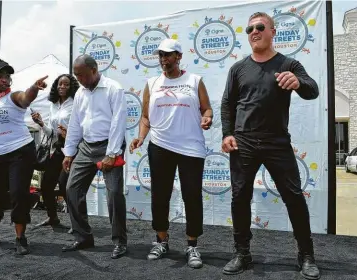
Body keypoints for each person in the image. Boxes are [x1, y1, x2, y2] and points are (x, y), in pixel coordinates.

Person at [220, 12, 320, 279]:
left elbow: (313, 89)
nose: (254, 31)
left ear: (272, 31)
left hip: (277, 141)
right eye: (250, 27)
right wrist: (227, 134)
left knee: (294, 197)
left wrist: (298, 82)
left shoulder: (289, 64)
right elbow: (228, 104)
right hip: (243, 143)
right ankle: (242, 253)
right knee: (239, 198)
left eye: (260, 26)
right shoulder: (238, 69)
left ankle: (306, 255)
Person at [129, 38, 213, 268]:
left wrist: (207, 117)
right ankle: (162, 241)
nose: (164, 59)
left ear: (179, 56)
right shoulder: (152, 83)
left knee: (192, 196)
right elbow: (146, 116)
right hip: (160, 145)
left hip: (190, 148)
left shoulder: (194, 80)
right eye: (161, 55)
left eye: (168, 55)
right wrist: (140, 137)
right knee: (160, 194)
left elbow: (206, 108)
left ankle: (192, 245)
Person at [0, 58, 48, 255]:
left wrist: (34, 88)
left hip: (20, 150)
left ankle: (20, 238)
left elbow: (26, 97)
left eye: (8, 76)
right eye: (0, 76)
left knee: (19, 193)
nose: (5, 79)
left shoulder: (13, 97)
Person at [61, 54, 128, 259]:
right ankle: (83, 237)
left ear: (94, 69)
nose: (78, 79)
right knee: (72, 189)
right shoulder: (80, 92)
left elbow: (119, 122)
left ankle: (120, 242)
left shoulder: (113, 89)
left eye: (81, 75)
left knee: (114, 193)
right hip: (86, 147)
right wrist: (69, 152)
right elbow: (75, 124)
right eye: (76, 76)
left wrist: (112, 153)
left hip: (109, 146)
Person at [31, 74, 79, 229]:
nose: (62, 87)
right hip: (58, 149)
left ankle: (77, 222)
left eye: (66, 84)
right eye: (60, 84)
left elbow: (82, 128)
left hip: (73, 149)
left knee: (66, 186)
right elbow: (52, 133)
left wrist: (69, 135)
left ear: (71, 86)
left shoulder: (76, 103)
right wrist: (40, 123)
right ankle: (53, 218)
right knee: (46, 185)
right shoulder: (53, 105)